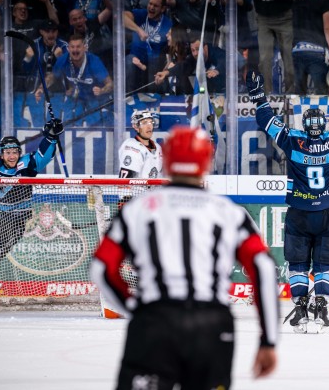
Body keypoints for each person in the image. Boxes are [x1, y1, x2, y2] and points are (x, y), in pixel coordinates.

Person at [90, 126, 279, 389]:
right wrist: (268, 340)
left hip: (154, 321)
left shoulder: (138, 209)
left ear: (166, 160)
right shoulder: (229, 212)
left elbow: (101, 267)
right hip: (212, 325)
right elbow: (264, 269)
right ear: (207, 162)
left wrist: (135, 309)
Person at [247, 66, 329, 333]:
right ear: (323, 125)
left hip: (299, 212)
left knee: (297, 263)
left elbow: (266, 121)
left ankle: (300, 306)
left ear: (305, 125)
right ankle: (321, 305)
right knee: (325, 263)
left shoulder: (292, 140)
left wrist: (258, 96)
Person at [0, 118, 63, 267]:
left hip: (17, 217)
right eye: (8, 152)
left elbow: (43, 156)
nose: (12, 156)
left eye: (15, 152)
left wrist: (51, 137)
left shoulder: (28, 164)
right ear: (0, 154)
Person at [291, 0, 329, 95]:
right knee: (321, 92)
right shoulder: (323, 4)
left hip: (298, 50)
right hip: (317, 52)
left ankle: (298, 113)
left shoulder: (296, 4)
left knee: (299, 92)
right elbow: (327, 28)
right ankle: (321, 113)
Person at [118, 109, 163, 178]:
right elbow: (126, 185)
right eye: (144, 123)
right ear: (136, 126)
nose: (149, 126)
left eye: (151, 122)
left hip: (154, 188)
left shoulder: (157, 147)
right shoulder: (132, 148)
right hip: (137, 189)